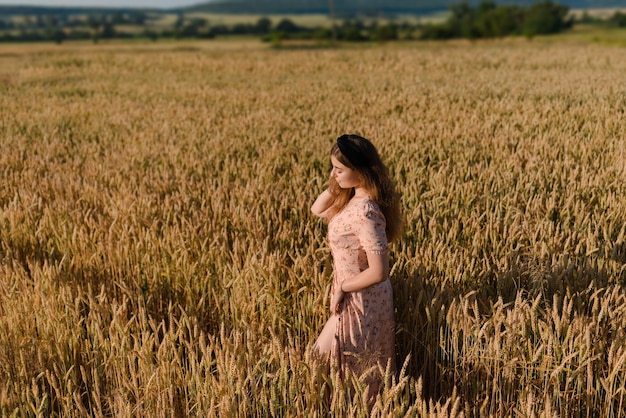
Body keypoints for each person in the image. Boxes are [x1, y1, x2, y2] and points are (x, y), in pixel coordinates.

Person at [311, 134, 402, 398]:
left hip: (363, 300)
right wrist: (337, 183)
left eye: (339, 169)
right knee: (340, 368)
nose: (333, 174)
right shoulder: (350, 200)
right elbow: (317, 209)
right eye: (332, 168)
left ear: (360, 171)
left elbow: (379, 271)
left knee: (335, 365)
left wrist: (343, 286)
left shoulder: (366, 212)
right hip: (351, 294)